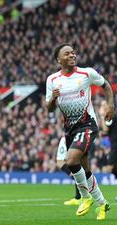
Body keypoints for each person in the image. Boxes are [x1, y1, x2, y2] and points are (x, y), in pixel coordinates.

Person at [46, 43, 114, 220]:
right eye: (67, 54)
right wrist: (53, 98)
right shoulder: (52, 80)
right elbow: (49, 109)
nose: (72, 55)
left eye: (73, 53)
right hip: (69, 129)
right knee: (85, 169)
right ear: (58, 60)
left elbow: (106, 85)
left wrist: (111, 105)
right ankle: (102, 203)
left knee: (70, 160)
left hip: (87, 125)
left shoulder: (86, 73)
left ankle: (85, 197)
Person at [56, 136, 82, 205]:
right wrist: (70, 172)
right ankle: (80, 197)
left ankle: (80, 198)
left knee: (78, 169)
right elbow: (60, 163)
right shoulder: (64, 139)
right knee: (76, 171)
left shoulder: (81, 136)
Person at [99, 100, 117, 175]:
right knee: (114, 169)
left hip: (115, 146)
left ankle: (91, 180)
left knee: (109, 168)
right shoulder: (111, 117)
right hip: (114, 145)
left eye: (104, 105)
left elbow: (105, 130)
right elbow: (105, 132)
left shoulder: (110, 116)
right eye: (102, 105)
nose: (103, 107)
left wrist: (102, 115)